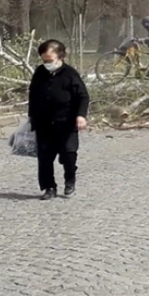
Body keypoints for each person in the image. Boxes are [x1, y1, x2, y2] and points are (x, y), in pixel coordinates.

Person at [28, 39, 90, 200]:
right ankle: (49, 187)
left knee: (69, 154)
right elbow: (33, 96)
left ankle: (70, 180)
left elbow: (83, 96)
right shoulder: (40, 72)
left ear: (60, 56)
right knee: (45, 157)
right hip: (44, 123)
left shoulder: (70, 74)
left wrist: (81, 115)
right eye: (44, 60)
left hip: (66, 122)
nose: (47, 63)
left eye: (50, 60)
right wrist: (32, 119)